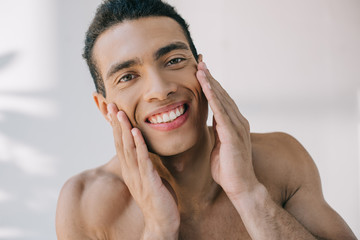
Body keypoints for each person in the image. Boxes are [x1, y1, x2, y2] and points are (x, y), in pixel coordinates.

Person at [55, 0, 357, 239]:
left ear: (202, 70)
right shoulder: (85, 204)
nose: (160, 90)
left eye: (174, 60)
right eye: (128, 76)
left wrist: (250, 195)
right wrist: (159, 230)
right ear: (103, 106)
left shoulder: (282, 160)